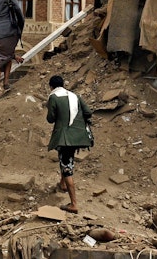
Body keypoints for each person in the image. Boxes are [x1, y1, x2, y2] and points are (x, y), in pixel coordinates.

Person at [46, 75, 93, 214]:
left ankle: (73, 204)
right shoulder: (75, 96)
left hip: (64, 138)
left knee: (67, 167)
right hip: (77, 137)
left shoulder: (53, 97)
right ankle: (62, 184)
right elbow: (88, 112)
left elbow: (50, 119)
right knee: (66, 160)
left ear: (51, 86)